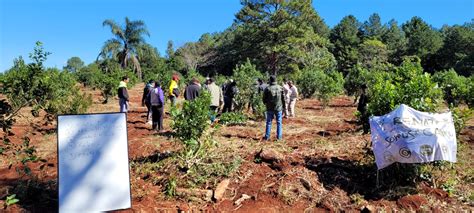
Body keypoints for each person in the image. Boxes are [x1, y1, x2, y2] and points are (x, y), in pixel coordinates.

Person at [263, 75, 285, 140]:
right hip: (278, 108)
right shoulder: (280, 88)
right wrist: (284, 107)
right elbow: (283, 99)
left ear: (270, 80)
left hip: (269, 108)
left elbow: (264, 99)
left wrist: (266, 104)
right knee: (279, 123)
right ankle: (279, 137)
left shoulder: (267, 88)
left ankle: (267, 137)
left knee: (268, 122)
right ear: (276, 80)